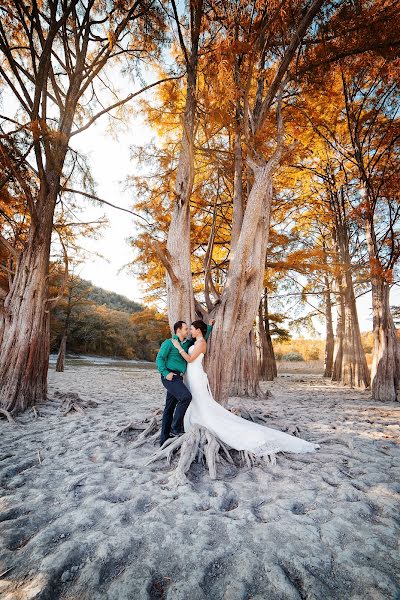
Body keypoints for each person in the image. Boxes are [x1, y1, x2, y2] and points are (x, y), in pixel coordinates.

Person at [171, 320, 319, 457]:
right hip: (191, 375)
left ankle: (202, 422)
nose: (190, 331)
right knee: (193, 400)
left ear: (198, 330)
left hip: (197, 375)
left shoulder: (201, 343)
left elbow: (190, 359)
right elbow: (202, 338)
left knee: (200, 400)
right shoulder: (197, 341)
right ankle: (188, 422)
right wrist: (209, 326)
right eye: (188, 329)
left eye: (192, 328)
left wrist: (178, 348)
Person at [156, 319, 214, 446]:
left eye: (189, 329)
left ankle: (164, 440)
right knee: (186, 397)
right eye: (186, 329)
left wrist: (208, 328)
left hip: (179, 378)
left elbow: (201, 341)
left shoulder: (187, 344)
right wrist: (166, 373)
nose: (188, 331)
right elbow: (159, 359)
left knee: (169, 408)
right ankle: (176, 428)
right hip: (170, 377)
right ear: (178, 330)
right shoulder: (169, 343)